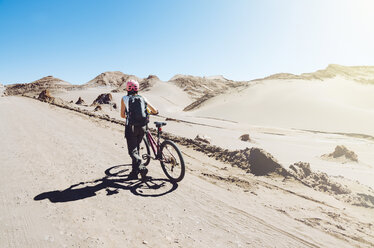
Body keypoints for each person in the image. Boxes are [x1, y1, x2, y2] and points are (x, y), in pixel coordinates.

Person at [120, 79, 158, 179]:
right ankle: (134, 173)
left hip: (131, 128)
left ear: (127, 88)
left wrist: (130, 116)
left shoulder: (124, 98)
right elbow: (154, 110)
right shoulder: (142, 98)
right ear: (138, 88)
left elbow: (122, 115)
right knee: (136, 148)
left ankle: (141, 166)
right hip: (143, 127)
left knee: (132, 152)